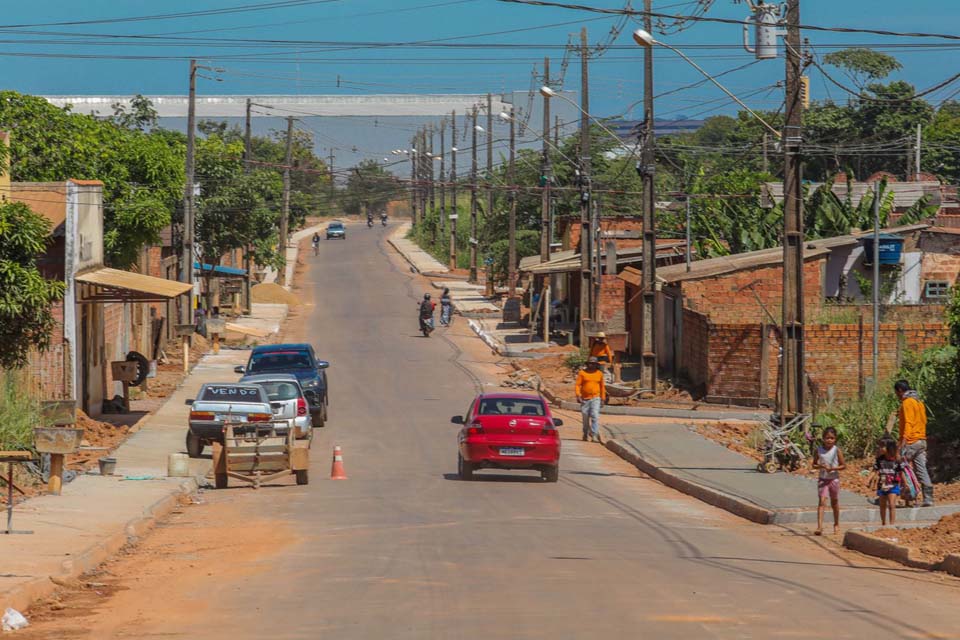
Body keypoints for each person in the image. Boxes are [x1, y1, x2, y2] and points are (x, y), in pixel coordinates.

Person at [894, 380, 934, 507]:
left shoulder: (907, 403)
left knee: (899, 466)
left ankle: (903, 496)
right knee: (922, 470)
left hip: (911, 441)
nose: (897, 396)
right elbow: (923, 421)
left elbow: (909, 423)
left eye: (896, 393)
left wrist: (903, 443)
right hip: (921, 441)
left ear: (900, 390)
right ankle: (928, 499)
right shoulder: (919, 402)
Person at [812, 426, 845, 536]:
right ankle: (819, 526)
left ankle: (836, 524)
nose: (829, 440)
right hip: (823, 479)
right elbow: (814, 464)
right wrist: (820, 466)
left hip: (834, 479)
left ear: (835, 439)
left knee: (834, 502)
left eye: (831, 438)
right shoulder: (819, 450)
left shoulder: (837, 450)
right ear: (823, 438)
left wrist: (833, 469)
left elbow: (843, 465)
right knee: (822, 501)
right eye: (827, 438)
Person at [869, 438, 905, 526]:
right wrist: (868, 479)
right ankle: (884, 523)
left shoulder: (896, 460)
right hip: (882, 485)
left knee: (892, 505)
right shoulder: (879, 460)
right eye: (880, 447)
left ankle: (892, 524)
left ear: (889, 448)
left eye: (882, 447)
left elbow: (901, 472)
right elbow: (875, 471)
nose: (880, 448)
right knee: (882, 505)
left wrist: (905, 483)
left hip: (893, 485)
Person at [575, 356, 606, 443]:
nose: (591, 365)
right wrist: (578, 395)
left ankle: (594, 435)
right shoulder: (582, 373)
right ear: (587, 364)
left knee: (595, 416)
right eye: (590, 363)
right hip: (585, 399)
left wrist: (603, 399)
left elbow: (602, 387)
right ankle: (585, 433)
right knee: (585, 417)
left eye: (593, 364)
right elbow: (577, 385)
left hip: (596, 398)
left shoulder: (599, 373)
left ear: (596, 365)